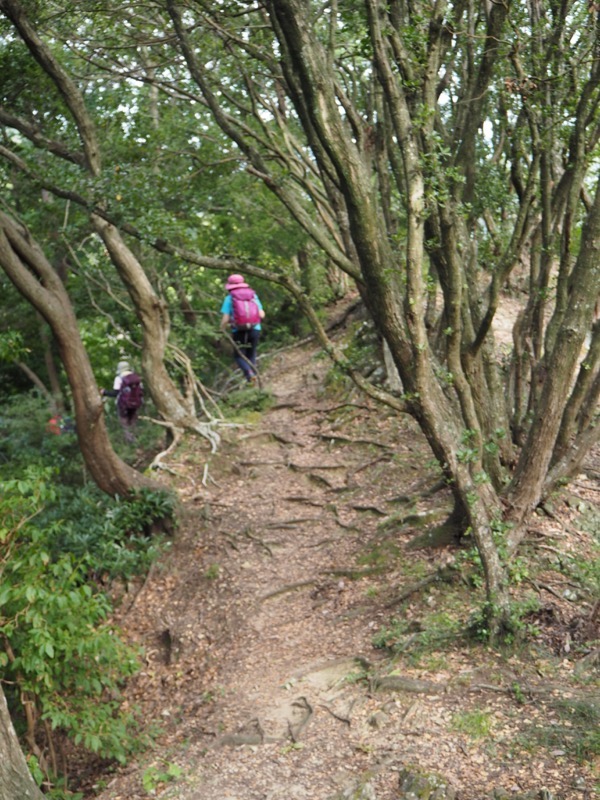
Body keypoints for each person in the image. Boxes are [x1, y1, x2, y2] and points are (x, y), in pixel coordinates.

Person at [220, 274, 265, 384]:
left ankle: (249, 375)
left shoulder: (229, 298)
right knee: (252, 354)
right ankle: (254, 377)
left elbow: (225, 318)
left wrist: (222, 329)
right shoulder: (253, 296)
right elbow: (262, 314)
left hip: (238, 330)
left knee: (239, 355)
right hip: (255, 328)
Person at [101, 360, 144, 443]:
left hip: (123, 405)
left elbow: (115, 393)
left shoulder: (119, 378)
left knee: (125, 422)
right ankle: (137, 439)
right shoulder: (136, 377)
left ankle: (130, 441)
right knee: (133, 420)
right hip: (136, 403)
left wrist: (104, 392)